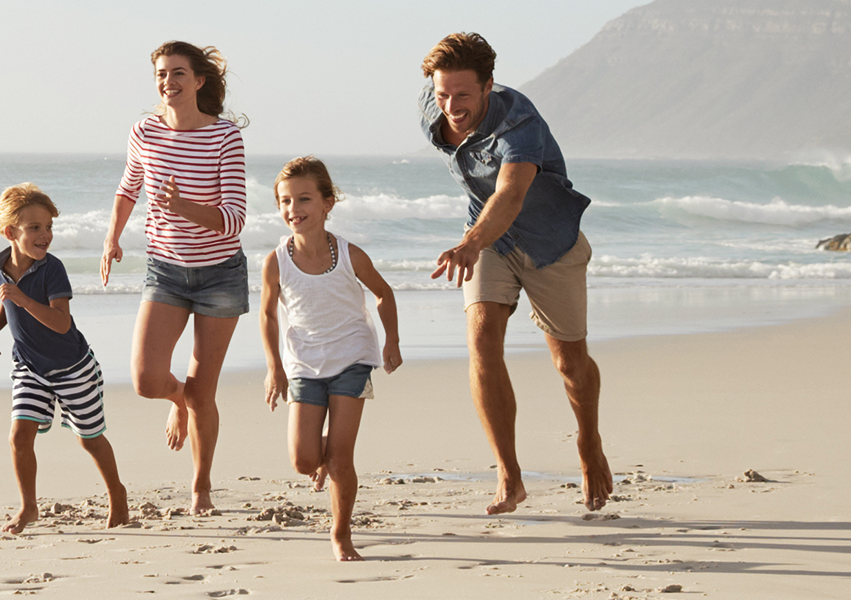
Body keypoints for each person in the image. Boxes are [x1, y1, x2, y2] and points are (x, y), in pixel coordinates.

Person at [415, 32, 613, 514]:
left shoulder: (520, 122)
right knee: (481, 341)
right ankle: (509, 472)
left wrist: (468, 243)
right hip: (490, 240)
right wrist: (476, 241)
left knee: (570, 362)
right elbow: (488, 203)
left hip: (550, 242)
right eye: (442, 94)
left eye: (463, 94)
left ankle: (589, 442)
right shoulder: (433, 109)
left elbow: (509, 194)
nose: (451, 106)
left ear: (488, 87)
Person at [99, 40, 249, 514]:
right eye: (162, 74)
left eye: (178, 73)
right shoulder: (143, 131)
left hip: (220, 274)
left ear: (199, 81)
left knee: (205, 393)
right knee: (145, 379)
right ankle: (177, 399)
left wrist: (183, 206)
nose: (169, 82)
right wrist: (112, 238)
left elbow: (234, 219)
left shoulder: (225, 137)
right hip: (165, 268)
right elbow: (129, 187)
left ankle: (201, 486)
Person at [253, 157, 401, 561]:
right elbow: (267, 315)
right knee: (303, 459)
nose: (293, 209)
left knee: (340, 458)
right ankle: (325, 453)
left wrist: (392, 343)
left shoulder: (350, 255)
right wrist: (274, 367)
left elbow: (384, 293)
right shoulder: (276, 261)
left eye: (304, 199)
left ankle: (341, 534)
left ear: (327, 203)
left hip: (353, 358)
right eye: (285, 201)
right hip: (304, 364)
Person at [0, 183, 135, 535]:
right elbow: (8, 301)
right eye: (34, 228)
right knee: (19, 435)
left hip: (72, 366)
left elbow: (61, 322)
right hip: (30, 367)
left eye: (49, 227)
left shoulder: (53, 270)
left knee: (89, 438)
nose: (45, 235)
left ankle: (117, 492)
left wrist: (21, 300)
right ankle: (28, 507)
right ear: (10, 232)